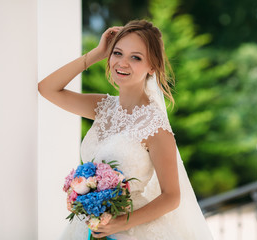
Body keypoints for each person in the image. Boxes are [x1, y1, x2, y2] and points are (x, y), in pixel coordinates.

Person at [38, 19, 213, 240]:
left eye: (136, 57)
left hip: (129, 231)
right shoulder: (102, 107)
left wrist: (118, 223)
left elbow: (171, 196)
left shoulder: (154, 126)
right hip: (88, 228)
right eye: (118, 53)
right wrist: (97, 53)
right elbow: (47, 88)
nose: (122, 63)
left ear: (152, 67)